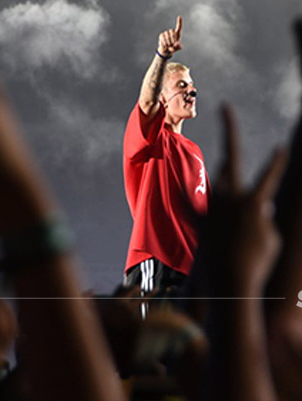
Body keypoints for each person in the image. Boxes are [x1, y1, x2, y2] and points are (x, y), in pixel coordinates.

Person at [123, 16, 209, 293]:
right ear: (163, 98)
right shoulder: (152, 136)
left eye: (191, 85)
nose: (191, 90)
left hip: (195, 273)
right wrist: (162, 57)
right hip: (159, 262)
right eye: (181, 86)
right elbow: (147, 101)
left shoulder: (195, 151)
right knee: (154, 337)